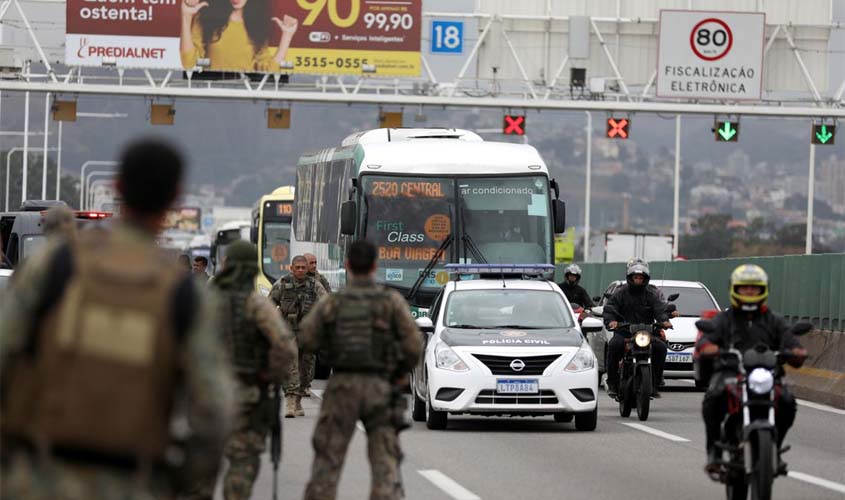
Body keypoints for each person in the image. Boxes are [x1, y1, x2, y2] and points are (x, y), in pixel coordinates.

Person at [0, 138, 235, 500]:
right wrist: (175, 482)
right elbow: (215, 413)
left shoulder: (54, 266)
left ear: (117, 188)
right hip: (133, 482)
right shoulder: (186, 295)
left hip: (38, 476)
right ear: (174, 198)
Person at [300, 240, 423, 500]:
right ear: (375, 266)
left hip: (342, 385)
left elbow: (307, 338)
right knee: (384, 465)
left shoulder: (333, 302)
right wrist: (397, 371)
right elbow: (414, 345)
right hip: (380, 386)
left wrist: (331, 347)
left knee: (328, 461)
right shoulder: (390, 301)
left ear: (347, 265)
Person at [186, 241, 297, 500]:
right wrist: (269, 376)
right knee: (242, 462)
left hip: (204, 396)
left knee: (200, 465)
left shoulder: (201, 301)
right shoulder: (257, 305)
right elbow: (285, 347)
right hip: (246, 394)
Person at [696, 264, 807, 473]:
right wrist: (709, 347)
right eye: (744, 287)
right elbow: (707, 339)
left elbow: (790, 341)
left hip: (767, 375)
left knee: (788, 402)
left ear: (763, 289)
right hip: (730, 372)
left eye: (753, 288)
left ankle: (773, 448)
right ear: (735, 289)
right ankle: (714, 452)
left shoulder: (774, 320)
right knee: (712, 399)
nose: (749, 291)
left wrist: (796, 351)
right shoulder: (725, 319)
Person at [602, 259, 671, 398]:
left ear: (645, 279)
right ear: (630, 277)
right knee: (614, 346)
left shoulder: (651, 294)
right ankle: (613, 382)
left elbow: (660, 309)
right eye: (636, 277)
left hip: (647, 332)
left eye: (641, 278)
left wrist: (664, 321)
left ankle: (655, 382)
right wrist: (611, 321)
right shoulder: (620, 293)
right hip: (624, 331)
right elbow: (610, 308)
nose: (638, 280)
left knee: (661, 348)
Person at [269, 254, 326, 417]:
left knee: (305, 367)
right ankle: (290, 401)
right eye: (298, 267)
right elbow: (269, 304)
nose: (301, 270)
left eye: (303, 267)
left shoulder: (315, 285)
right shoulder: (282, 284)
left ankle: (299, 398)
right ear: (291, 268)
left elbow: (326, 305)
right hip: (288, 332)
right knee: (291, 365)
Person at [180, 0, 298, 72]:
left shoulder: (257, 24)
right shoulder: (207, 17)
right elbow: (188, 63)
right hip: (213, 96)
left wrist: (287, 36)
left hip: (247, 99)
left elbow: (268, 71)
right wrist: (186, 16)